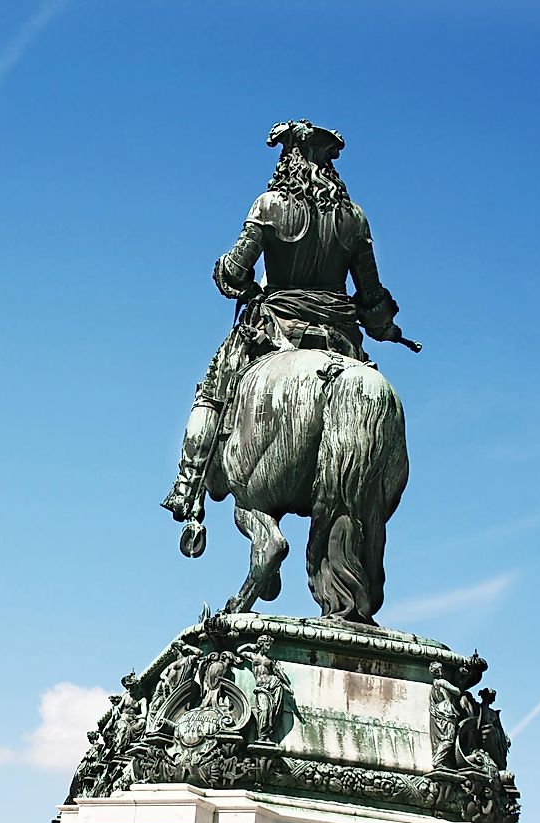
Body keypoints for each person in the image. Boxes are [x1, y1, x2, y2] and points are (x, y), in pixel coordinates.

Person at [162, 119, 409, 523]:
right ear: (329, 162)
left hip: (276, 329)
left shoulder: (270, 206)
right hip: (339, 340)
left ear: (289, 157)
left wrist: (226, 271)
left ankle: (186, 488)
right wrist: (387, 329)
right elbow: (372, 300)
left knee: (211, 392)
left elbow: (236, 273)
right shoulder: (355, 220)